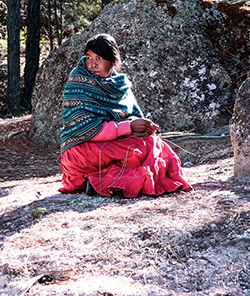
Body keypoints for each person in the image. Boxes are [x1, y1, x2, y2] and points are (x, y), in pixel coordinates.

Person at [59, 33, 192, 198]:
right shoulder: (79, 81)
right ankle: (103, 182)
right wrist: (129, 127)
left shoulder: (120, 85)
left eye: (99, 58)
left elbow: (132, 115)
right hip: (80, 152)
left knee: (153, 144)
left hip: (106, 147)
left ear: (113, 62)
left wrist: (143, 126)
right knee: (138, 151)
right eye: (88, 57)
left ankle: (98, 182)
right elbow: (85, 129)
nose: (92, 64)